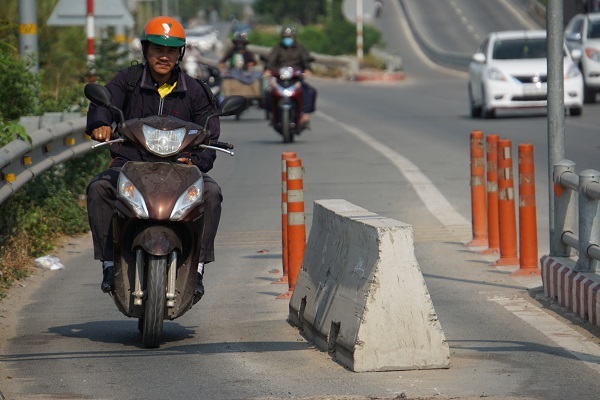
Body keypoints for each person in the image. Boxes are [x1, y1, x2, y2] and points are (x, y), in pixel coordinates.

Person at [85, 16, 222, 302]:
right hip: (130, 163)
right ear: (145, 49)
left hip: (181, 168)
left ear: (180, 54)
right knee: (99, 188)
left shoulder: (195, 90)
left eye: (171, 50)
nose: (163, 55)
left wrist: (196, 160)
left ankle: (197, 268)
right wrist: (100, 123)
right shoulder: (128, 81)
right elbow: (102, 103)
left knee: (211, 193)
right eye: (157, 48)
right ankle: (109, 264)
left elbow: (210, 134)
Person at [266, 26, 316, 127]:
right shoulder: (278, 48)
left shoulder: (300, 48)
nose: (287, 39)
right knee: (268, 92)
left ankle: (305, 116)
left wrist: (307, 69)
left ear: (294, 37)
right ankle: (272, 114)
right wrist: (268, 69)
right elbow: (271, 60)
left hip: (296, 78)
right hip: (280, 77)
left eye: (289, 37)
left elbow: (306, 60)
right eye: (285, 37)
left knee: (309, 91)